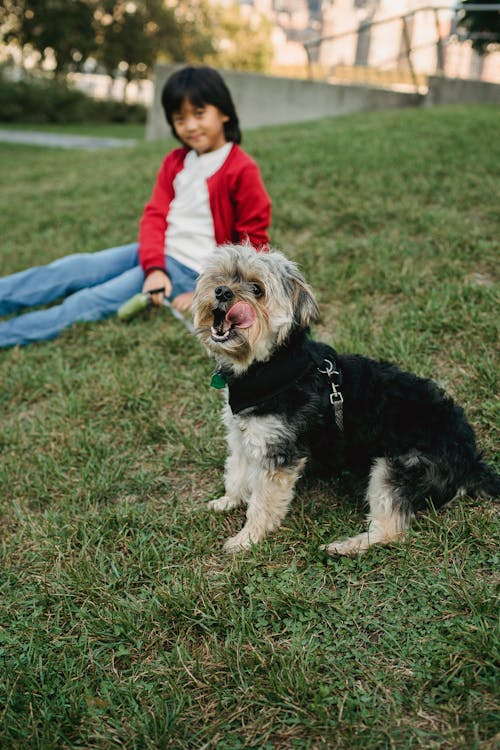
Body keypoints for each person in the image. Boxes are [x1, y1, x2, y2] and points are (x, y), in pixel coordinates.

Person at [0, 66, 271, 348]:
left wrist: (208, 294)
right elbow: (155, 216)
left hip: (190, 270)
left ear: (224, 112)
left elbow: (253, 249)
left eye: (199, 114)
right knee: (72, 268)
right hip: (154, 254)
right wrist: (154, 265)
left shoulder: (241, 169)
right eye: (180, 118)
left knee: (88, 300)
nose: (190, 126)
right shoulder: (176, 162)